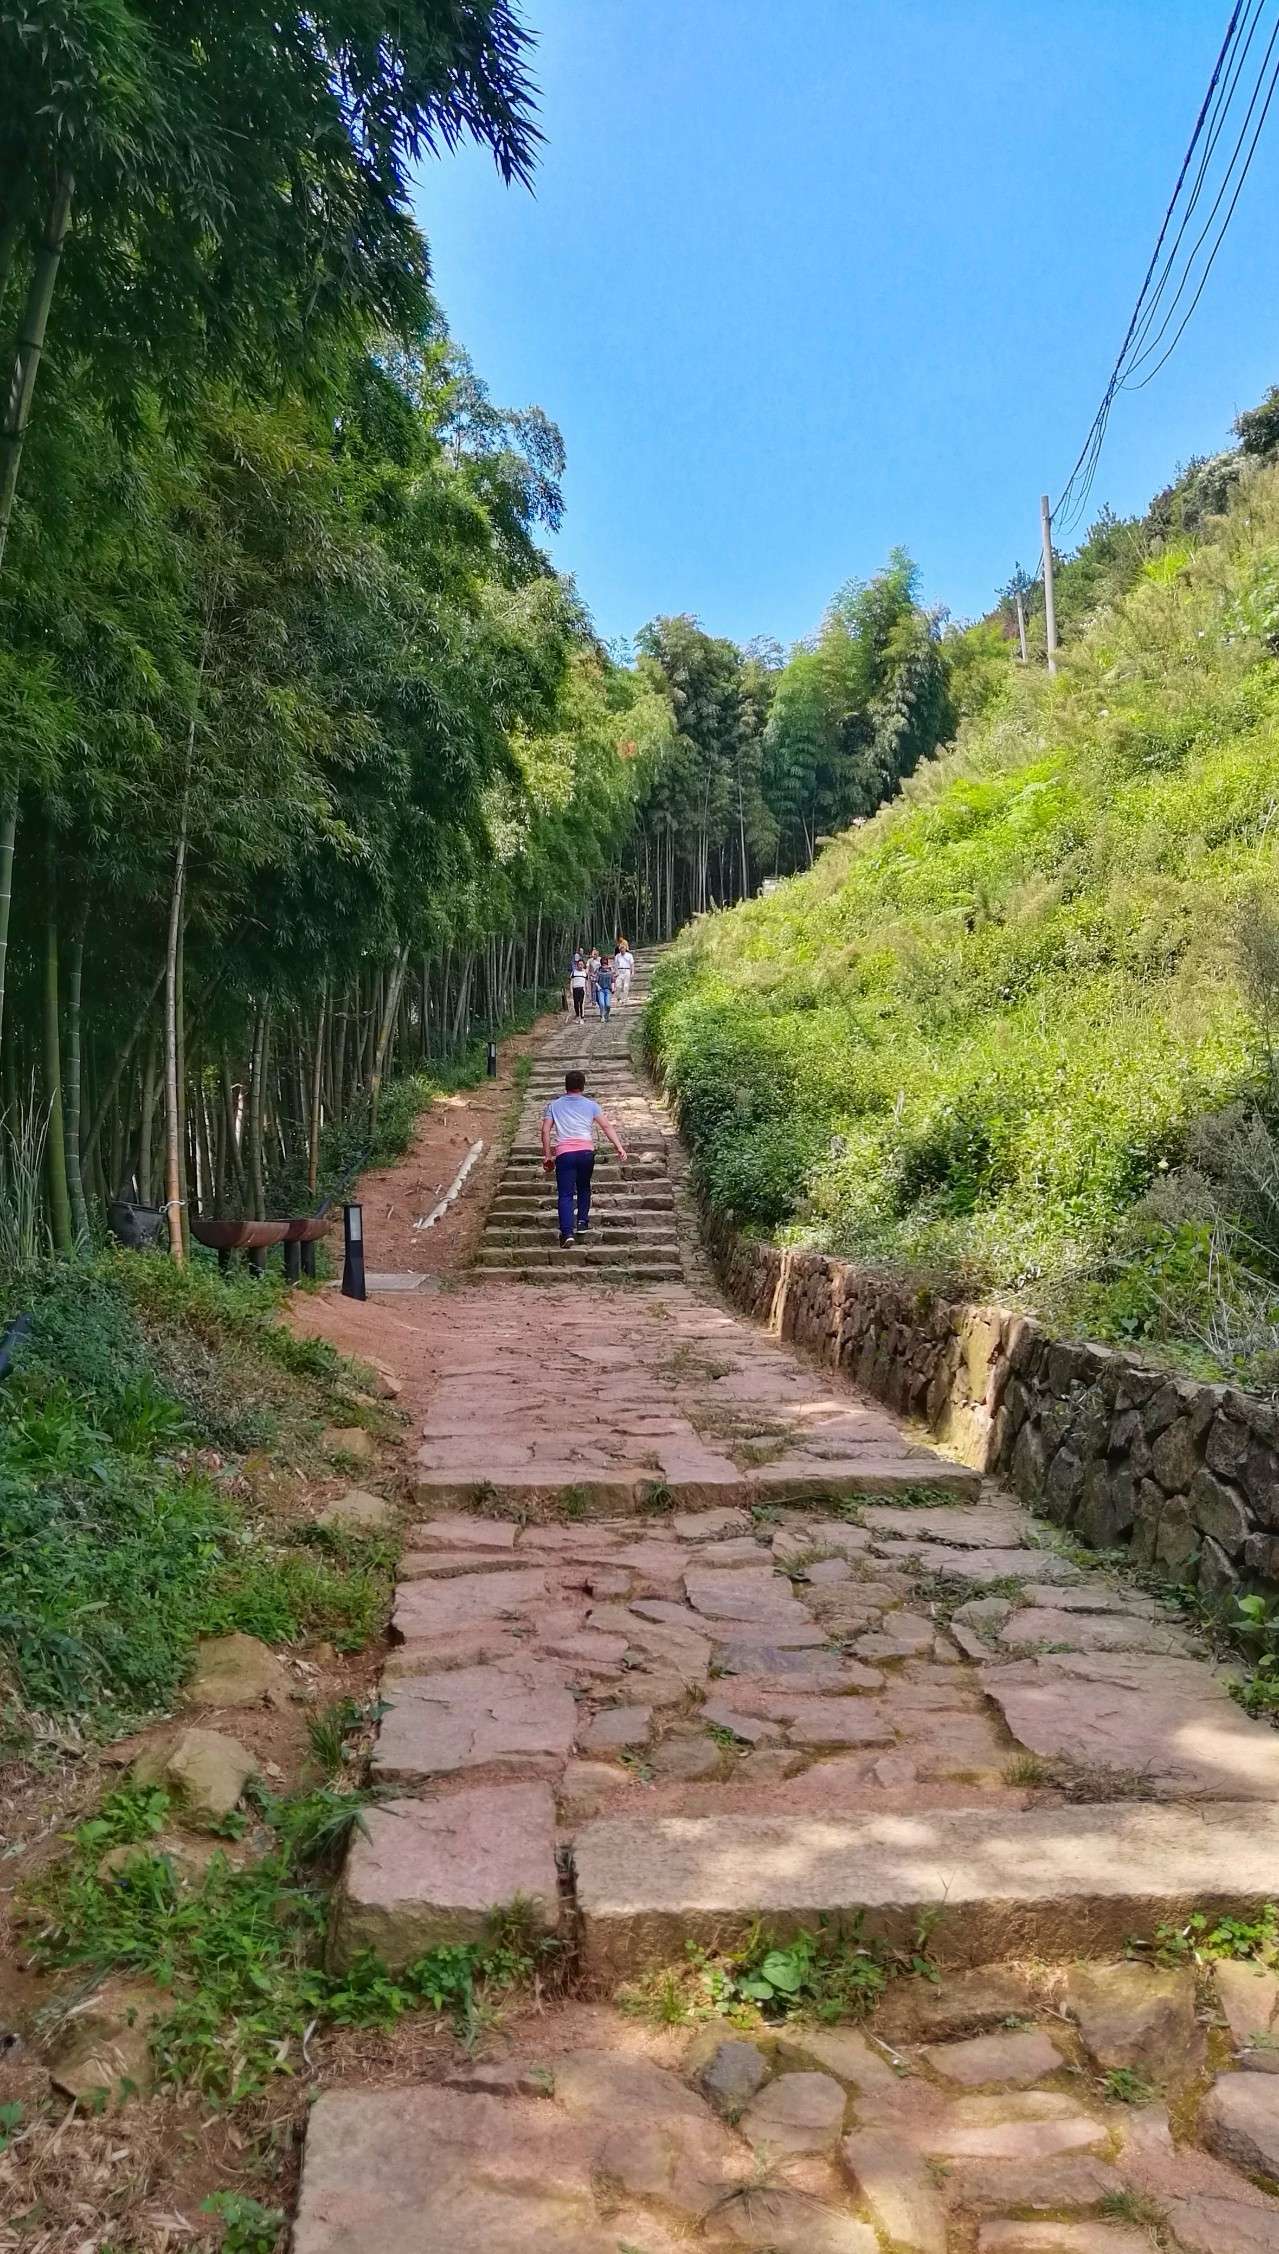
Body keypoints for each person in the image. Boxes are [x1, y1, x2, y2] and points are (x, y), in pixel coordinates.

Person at [541, 1068, 627, 1247]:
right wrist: (618, 1147)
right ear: (582, 1086)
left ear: (566, 1086)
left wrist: (548, 1155)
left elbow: (545, 1130)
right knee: (584, 1188)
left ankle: (567, 1233)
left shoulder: (554, 1105)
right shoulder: (591, 1105)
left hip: (564, 1153)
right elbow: (606, 1127)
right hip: (586, 1153)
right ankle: (582, 1222)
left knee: (565, 1194)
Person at [614, 937, 634, 1006]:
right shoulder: (617, 956)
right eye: (621, 949)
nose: (622, 950)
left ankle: (624, 999)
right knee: (618, 986)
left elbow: (632, 964)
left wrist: (632, 971)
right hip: (620, 971)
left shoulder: (629, 955)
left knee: (626, 986)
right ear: (619, 949)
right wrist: (616, 972)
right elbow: (616, 965)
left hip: (627, 970)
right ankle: (618, 997)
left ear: (625, 949)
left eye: (623, 948)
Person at [595, 951, 615, 1020]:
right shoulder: (598, 970)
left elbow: (612, 980)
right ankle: (602, 1016)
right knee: (602, 1004)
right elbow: (596, 981)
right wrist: (598, 988)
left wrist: (613, 988)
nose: (604, 963)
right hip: (600, 990)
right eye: (603, 962)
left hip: (608, 989)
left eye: (605, 962)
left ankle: (607, 1014)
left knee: (608, 1005)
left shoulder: (610, 970)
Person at [568, 951, 587, 1020]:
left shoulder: (585, 972)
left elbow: (586, 982)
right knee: (576, 1003)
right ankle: (577, 1014)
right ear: (577, 965)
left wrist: (587, 990)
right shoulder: (574, 972)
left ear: (583, 965)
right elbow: (571, 981)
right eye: (579, 964)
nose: (580, 966)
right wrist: (571, 990)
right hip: (575, 989)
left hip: (582, 989)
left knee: (581, 1003)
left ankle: (582, 1015)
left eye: (581, 964)